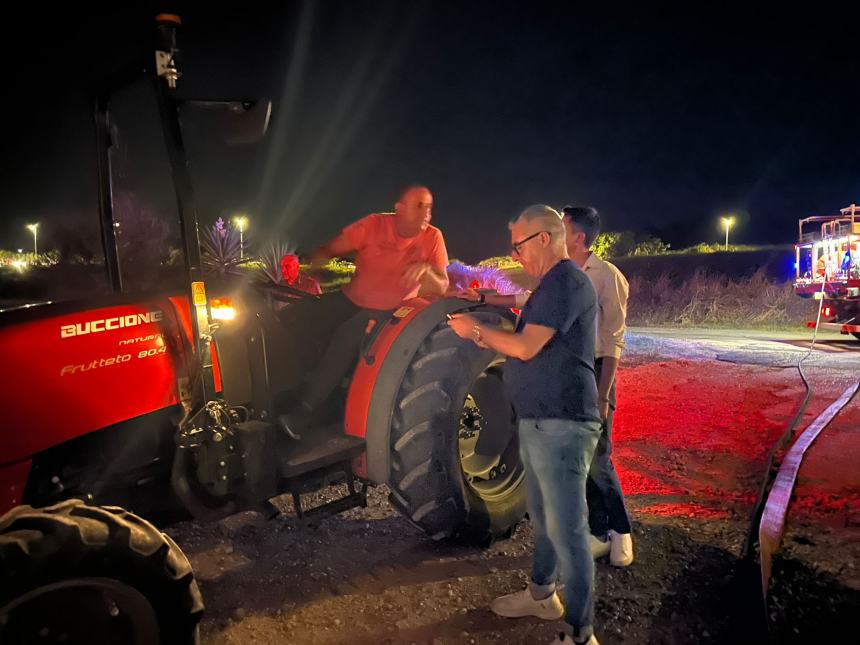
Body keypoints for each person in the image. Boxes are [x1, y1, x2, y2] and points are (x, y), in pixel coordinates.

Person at [449, 204, 602, 645]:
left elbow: (524, 347)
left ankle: (579, 634)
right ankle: (541, 595)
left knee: (569, 528)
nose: (514, 254)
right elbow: (524, 322)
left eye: (518, 244)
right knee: (545, 516)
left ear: (542, 238)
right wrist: (483, 305)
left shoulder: (567, 282)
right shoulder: (548, 285)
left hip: (563, 423)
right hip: (541, 421)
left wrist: (475, 331)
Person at [280, 185, 449, 435]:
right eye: (419, 205)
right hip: (351, 300)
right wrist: (315, 260)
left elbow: (443, 286)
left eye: (429, 206)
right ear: (399, 209)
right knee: (296, 317)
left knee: (347, 336)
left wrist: (426, 270)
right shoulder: (374, 225)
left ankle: (303, 413)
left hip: (390, 312)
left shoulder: (433, 237)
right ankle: (281, 392)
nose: (427, 212)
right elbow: (330, 249)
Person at [561, 205, 634, 567]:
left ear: (578, 236)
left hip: (597, 372)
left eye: (562, 228)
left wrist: (603, 395)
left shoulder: (607, 276)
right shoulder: (562, 274)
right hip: (570, 373)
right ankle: (599, 534)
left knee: (600, 457)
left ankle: (622, 532)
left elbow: (613, 339)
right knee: (584, 458)